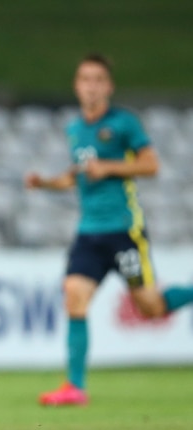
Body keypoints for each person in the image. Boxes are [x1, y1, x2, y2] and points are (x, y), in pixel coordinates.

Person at [24, 53, 193, 406]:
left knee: (151, 306)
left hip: (123, 231)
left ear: (109, 86)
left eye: (98, 79)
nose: (91, 86)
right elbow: (75, 176)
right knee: (74, 295)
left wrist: (110, 167)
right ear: (77, 86)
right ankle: (75, 387)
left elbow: (151, 165)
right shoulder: (75, 129)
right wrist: (45, 183)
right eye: (85, 79)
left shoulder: (124, 123)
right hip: (89, 233)